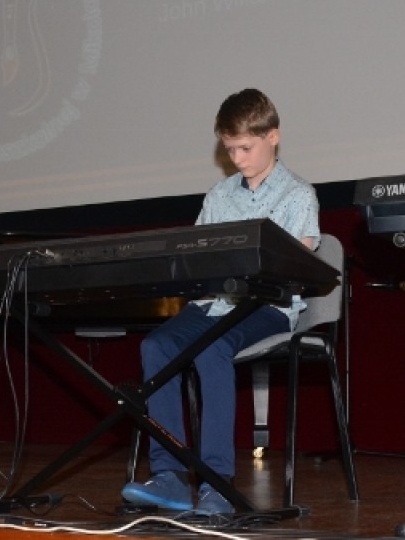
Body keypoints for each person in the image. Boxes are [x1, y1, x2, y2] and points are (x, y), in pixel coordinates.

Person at [120, 88, 320, 515]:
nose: (237, 158)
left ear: (273, 136)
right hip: (212, 304)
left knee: (212, 346)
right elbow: (196, 258)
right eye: (230, 149)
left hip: (267, 307)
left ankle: (216, 483)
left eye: (245, 148)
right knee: (156, 345)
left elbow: (298, 268)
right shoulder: (218, 195)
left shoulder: (299, 195)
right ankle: (171, 477)